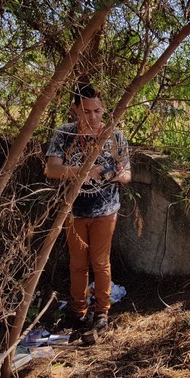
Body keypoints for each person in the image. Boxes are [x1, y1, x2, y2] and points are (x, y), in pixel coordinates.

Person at [45, 84, 131, 334]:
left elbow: (127, 174)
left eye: (97, 111)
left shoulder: (114, 136)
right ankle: (79, 311)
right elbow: (52, 169)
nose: (92, 117)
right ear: (75, 110)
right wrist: (83, 172)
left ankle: (102, 312)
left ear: (103, 109)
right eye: (86, 111)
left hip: (106, 210)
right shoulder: (64, 134)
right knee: (78, 264)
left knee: (100, 262)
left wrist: (115, 175)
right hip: (73, 210)